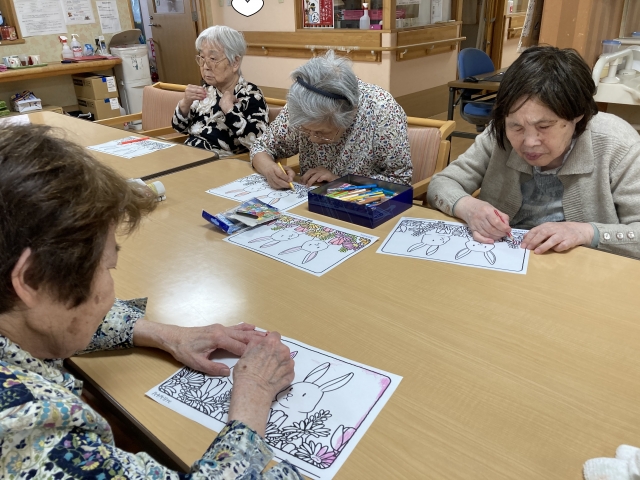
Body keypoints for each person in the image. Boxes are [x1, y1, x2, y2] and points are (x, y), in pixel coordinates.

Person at [0, 125, 301, 479]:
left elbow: (44, 318)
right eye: (106, 268)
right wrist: (252, 404)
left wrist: (166, 335)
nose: (111, 293)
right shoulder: (26, 434)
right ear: (32, 280)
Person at [427, 46, 640, 259]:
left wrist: (586, 232)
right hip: (500, 258)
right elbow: (441, 183)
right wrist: (468, 207)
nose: (529, 143)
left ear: (578, 115)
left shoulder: (618, 144)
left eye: (544, 126)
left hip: (583, 268)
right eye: (516, 127)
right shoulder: (498, 134)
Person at [251, 50, 412, 187]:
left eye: (322, 133)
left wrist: (340, 182)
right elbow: (261, 147)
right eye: (306, 131)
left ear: (351, 114)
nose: (313, 139)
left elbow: (401, 181)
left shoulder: (382, 111)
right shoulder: (302, 105)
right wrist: (269, 169)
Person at [172, 25, 269, 157]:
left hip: (220, 162)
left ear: (235, 62)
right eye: (202, 58)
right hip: (190, 155)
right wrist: (185, 103)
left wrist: (229, 110)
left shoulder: (250, 95)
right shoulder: (206, 90)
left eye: (213, 59)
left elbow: (259, 143)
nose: (205, 66)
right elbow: (179, 128)